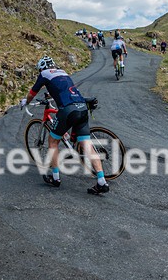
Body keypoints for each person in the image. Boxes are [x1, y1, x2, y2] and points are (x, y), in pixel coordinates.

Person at [19, 56, 110, 195]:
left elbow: (32, 93)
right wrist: (50, 95)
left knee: (52, 141)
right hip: (82, 107)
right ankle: (102, 181)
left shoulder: (44, 74)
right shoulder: (62, 72)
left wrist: (26, 101)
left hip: (68, 110)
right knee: (87, 145)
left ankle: (55, 178)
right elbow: (63, 88)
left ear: (41, 68)